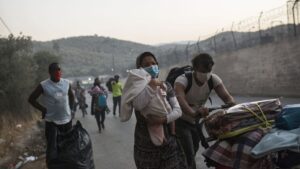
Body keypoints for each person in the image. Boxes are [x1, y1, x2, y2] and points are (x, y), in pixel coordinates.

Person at [120, 52, 188, 169]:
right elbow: (139, 105)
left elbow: (178, 111)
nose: (151, 66)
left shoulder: (166, 86)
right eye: (147, 64)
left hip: (169, 144)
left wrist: (162, 120)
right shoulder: (136, 89)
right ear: (140, 69)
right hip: (145, 148)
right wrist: (151, 86)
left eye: (154, 63)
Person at [174, 53, 236, 169]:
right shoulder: (182, 80)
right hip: (180, 121)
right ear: (195, 68)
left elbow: (227, 98)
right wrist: (193, 113)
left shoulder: (213, 79)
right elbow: (180, 100)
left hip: (196, 122)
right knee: (188, 153)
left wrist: (231, 104)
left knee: (193, 149)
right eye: (204, 70)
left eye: (209, 70)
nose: (206, 73)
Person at [28, 62, 75, 166]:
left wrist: (71, 110)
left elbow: (71, 96)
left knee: (67, 148)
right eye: (55, 70)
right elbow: (31, 99)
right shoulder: (43, 85)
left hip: (67, 121)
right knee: (52, 151)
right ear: (50, 72)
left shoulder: (66, 83)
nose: (58, 72)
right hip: (52, 123)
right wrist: (43, 109)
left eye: (59, 69)